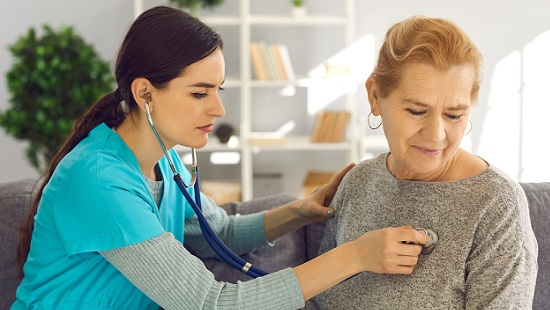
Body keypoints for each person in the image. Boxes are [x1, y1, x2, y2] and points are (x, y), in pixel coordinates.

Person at [12, 6, 431, 310]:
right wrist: (356, 255)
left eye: (219, 90)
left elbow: (222, 232)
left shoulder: (167, 161)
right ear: (144, 94)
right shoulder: (99, 180)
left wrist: (301, 211)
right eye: (199, 93)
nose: (218, 109)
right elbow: (212, 303)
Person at [310, 15, 539, 309]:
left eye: (454, 115)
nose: (436, 135)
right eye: (417, 111)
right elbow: (318, 301)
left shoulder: (496, 204)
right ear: (375, 96)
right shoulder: (358, 182)